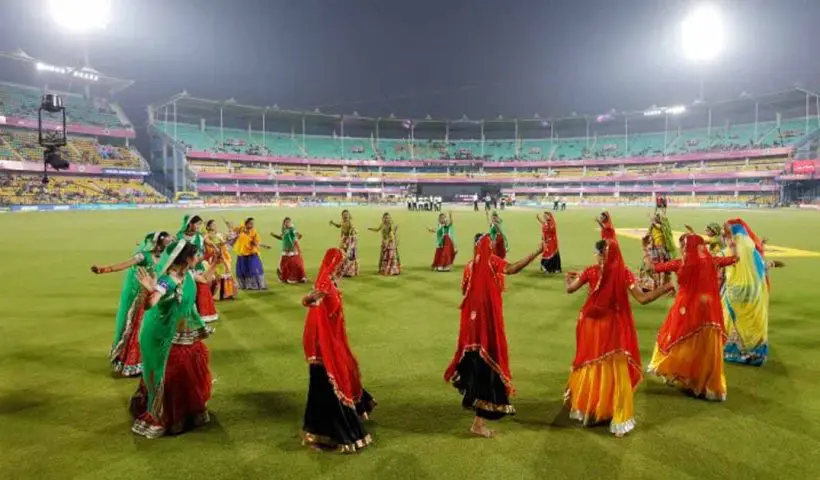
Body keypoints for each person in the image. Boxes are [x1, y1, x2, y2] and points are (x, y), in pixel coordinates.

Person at [564, 239, 672, 437]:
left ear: (598, 254)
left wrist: (567, 280)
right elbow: (643, 299)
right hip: (613, 328)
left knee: (592, 364)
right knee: (615, 368)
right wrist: (663, 288)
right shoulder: (624, 274)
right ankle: (615, 412)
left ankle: (591, 409)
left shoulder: (591, 271)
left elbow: (570, 289)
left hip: (591, 326)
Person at [444, 234, 542, 438]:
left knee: (474, 369)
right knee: (487, 374)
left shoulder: (471, 266)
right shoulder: (491, 261)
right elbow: (513, 268)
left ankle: (474, 409)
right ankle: (478, 424)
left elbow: (465, 290)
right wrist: (537, 252)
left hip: (471, 331)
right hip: (486, 330)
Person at [130, 240, 213, 438]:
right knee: (174, 377)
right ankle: (169, 417)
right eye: (195, 255)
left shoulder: (188, 274)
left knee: (190, 374)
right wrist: (148, 290)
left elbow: (204, 279)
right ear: (185, 259)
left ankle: (189, 414)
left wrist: (216, 261)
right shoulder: (167, 281)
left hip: (186, 336)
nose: (198, 258)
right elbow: (151, 304)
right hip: (168, 339)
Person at [301, 248, 376, 453]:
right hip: (323, 349)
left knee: (337, 380)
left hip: (332, 344)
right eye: (339, 266)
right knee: (326, 389)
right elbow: (314, 300)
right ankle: (329, 434)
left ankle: (327, 430)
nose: (342, 269)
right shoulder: (325, 286)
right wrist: (312, 297)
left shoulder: (329, 284)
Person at [647, 233, 738, 400]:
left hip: (686, 310)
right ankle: (704, 384)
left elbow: (655, 268)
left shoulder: (681, 263)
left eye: (683, 246)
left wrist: (646, 252)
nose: (682, 249)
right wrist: (734, 246)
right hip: (708, 312)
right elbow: (734, 259)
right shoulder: (712, 261)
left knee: (680, 342)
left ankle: (687, 377)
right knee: (704, 349)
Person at [91, 231, 172, 377]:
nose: (168, 245)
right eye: (166, 242)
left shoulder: (167, 259)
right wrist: (103, 269)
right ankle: (133, 363)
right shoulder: (144, 256)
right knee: (138, 330)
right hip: (142, 299)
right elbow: (125, 264)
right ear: (158, 244)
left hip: (156, 299)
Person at [722, 219, 784, 366]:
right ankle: (754, 352)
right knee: (752, 321)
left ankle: (733, 351)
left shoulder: (727, 251)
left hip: (734, 291)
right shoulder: (752, 251)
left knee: (732, 320)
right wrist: (773, 263)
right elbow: (762, 267)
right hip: (753, 292)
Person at [178, 214, 219, 322]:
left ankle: (203, 313)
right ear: (189, 224)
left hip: (198, 265)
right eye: (197, 224)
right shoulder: (179, 237)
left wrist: (213, 248)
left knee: (205, 286)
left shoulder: (199, 236)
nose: (198, 226)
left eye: (200, 224)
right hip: (184, 268)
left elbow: (206, 242)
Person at [230, 217, 270, 290]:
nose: (252, 225)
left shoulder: (254, 232)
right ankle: (245, 285)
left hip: (252, 255)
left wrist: (264, 246)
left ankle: (257, 285)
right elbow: (233, 231)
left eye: (253, 223)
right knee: (243, 271)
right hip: (242, 255)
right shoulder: (241, 229)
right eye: (250, 223)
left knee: (254, 270)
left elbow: (256, 242)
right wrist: (230, 225)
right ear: (246, 224)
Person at [203, 220, 237, 301]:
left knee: (225, 274)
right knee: (217, 276)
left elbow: (225, 241)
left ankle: (226, 293)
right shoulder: (207, 236)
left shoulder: (218, 235)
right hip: (213, 258)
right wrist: (219, 245)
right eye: (213, 225)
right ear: (208, 227)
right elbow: (209, 244)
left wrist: (230, 238)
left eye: (215, 224)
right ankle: (215, 295)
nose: (215, 226)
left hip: (222, 256)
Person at [271, 217, 308, 284]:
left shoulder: (292, 229)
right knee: (285, 264)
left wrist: (298, 236)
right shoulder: (284, 230)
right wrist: (274, 235)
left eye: (289, 222)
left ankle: (296, 277)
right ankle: (286, 277)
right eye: (286, 222)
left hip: (291, 248)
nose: (287, 223)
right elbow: (281, 238)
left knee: (294, 263)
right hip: (285, 249)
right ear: (284, 223)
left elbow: (296, 234)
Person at [329, 210, 359, 277]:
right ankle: (343, 270)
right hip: (344, 240)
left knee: (349, 256)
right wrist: (333, 223)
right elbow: (338, 226)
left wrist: (354, 231)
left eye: (346, 214)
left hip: (349, 241)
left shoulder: (350, 223)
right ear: (342, 216)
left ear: (349, 215)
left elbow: (353, 229)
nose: (345, 216)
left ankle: (349, 271)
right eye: (344, 214)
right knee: (342, 255)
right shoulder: (342, 222)